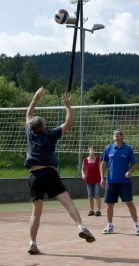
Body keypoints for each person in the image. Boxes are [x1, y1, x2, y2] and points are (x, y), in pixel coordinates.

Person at [25, 87, 95, 255]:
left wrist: (35, 99)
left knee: (36, 213)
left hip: (34, 176)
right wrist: (68, 106)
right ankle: (81, 226)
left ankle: (32, 243)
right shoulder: (50, 134)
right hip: (48, 174)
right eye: (42, 120)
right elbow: (68, 123)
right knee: (68, 202)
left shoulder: (30, 132)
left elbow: (28, 115)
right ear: (42, 125)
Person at [100, 129, 139, 235]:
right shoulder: (108, 148)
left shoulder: (128, 149)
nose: (116, 135)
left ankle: (137, 225)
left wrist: (130, 171)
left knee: (129, 203)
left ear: (122, 137)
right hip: (111, 181)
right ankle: (109, 225)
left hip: (124, 182)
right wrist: (102, 178)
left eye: (118, 134)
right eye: (114, 134)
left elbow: (134, 164)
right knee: (109, 204)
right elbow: (103, 164)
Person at [81, 146, 102, 216]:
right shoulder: (85, 160)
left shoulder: (98, 160)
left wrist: (102, 178)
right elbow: (82, 169)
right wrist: (83, 174)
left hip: (97, 180)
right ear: (88, 151)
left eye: (93, 149)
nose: (91, 150)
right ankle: (91, 210)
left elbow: (101, 169)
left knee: (97, 195)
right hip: (88, 180)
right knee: (90, 196)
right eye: (90, 149)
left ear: (94, 151)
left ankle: (98, 210)